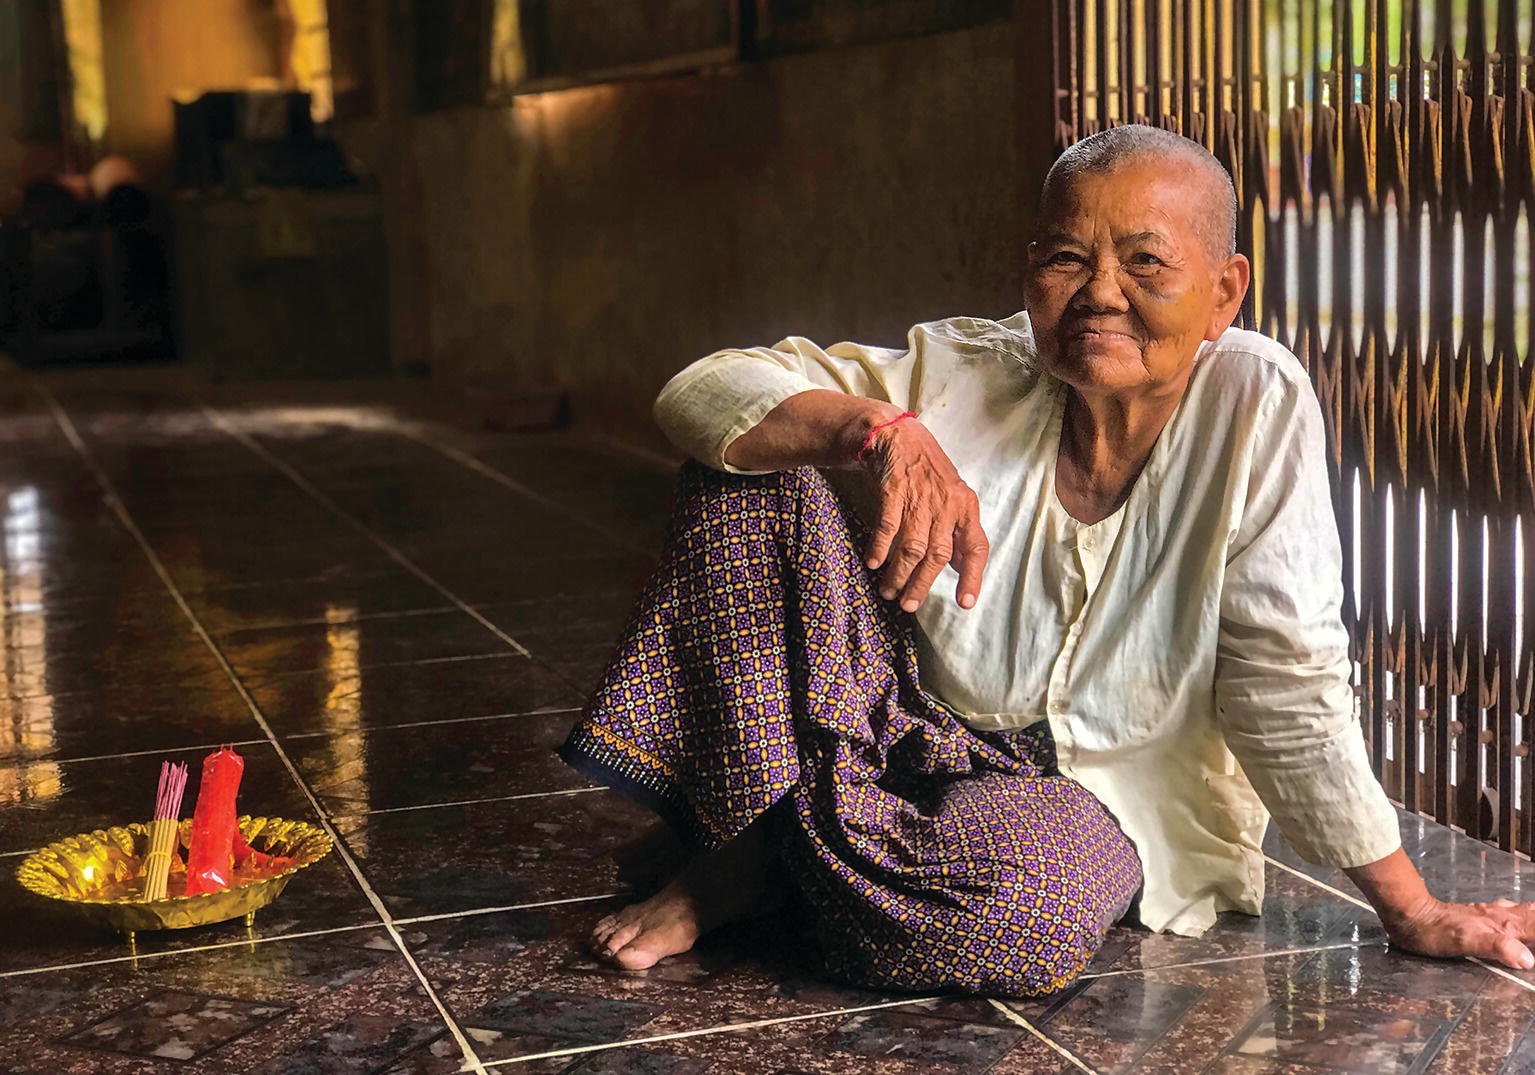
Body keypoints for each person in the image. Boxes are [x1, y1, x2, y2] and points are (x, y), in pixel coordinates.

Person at [557, 124, 1535, 997]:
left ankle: (785, 843)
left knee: (1024, 910)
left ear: (1222, 291)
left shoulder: (1252, 398)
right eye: (1067, 258)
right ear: (1029, 270)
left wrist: (1409, 909)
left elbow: (1283, 674)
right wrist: (879, 429)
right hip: (898, 720)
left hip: (1092, 789)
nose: (1100, 294)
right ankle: (753, 854)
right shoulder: (963, 367)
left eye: (1146, 263)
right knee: (744, 467)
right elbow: (701, 388)